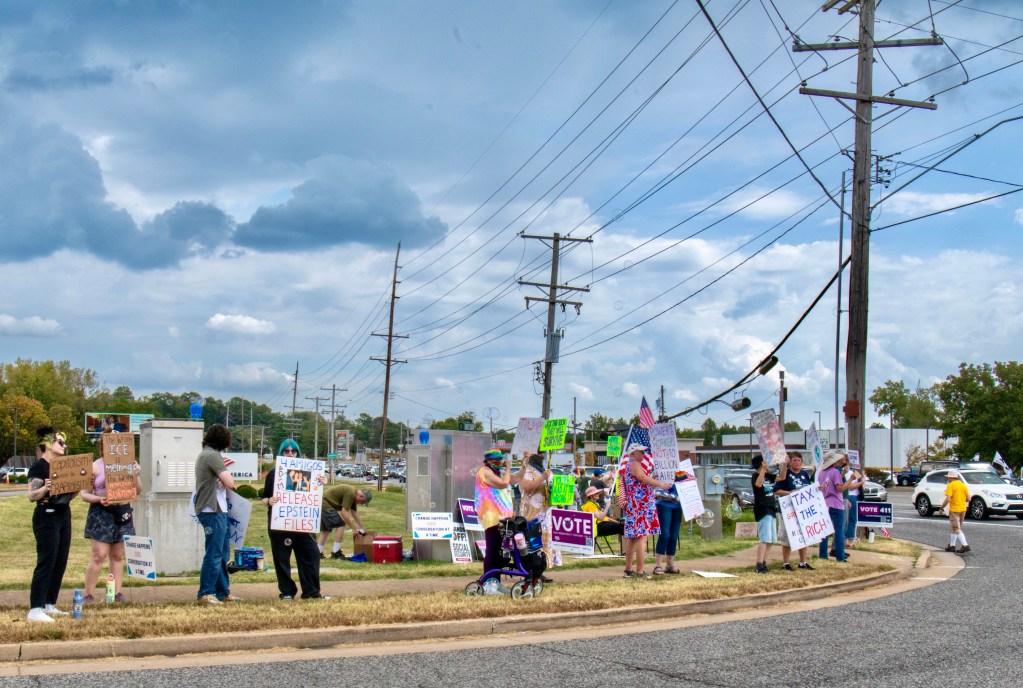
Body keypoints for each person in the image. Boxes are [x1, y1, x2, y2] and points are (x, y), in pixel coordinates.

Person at [263, 438, 328, 599]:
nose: (290, 454)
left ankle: (312, 592)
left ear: (298, 453)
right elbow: (264, 498)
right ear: (281, 453)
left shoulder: (310, 472)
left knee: (311, 554)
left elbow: (312, 493)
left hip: (302, 523)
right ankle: (287, 591)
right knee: (282, 559)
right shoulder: (274, 473)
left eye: (293, 451)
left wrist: (321, 482)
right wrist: (269, 501)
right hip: (280, 523)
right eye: (287, 451)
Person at [27, 427, 78, 622]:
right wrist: (44, 488)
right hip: (46, 515)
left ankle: (49, 603)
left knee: (60, 560)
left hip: (63, 514)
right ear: (48, 444)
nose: (64, 446)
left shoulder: (64, 467)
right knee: (47, 560)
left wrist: (78, 487)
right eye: (60, 442)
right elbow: (31, 496)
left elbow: (68, 496)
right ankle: (35, 608)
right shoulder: (39, 467)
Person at [81, 449, 142, 603]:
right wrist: (98, 499)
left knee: (117, 555)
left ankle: (115, 592)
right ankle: (88, 594)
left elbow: (138, 490)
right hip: (101, 513)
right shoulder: (95, 466)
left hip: (122, 511)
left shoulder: (128, 464)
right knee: (99, 555)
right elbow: (84, 494)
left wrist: (136, 474)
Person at [194, 423, 237, 604]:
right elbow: (231, 482)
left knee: (222, 553)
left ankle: (222, 591)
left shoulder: (205, 454)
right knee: (214, 553)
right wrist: (224, 476)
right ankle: (206, 592)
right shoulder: (212, 455)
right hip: (212, 510)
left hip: (217, 508)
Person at [620, 443, 672, 578]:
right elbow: (642, 478)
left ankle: (628, 569)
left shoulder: (628, 466)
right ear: (633, 453)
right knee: (642, 537)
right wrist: (660, 484)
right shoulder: (635, 464)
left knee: (632, 537)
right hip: (641, 504)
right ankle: (640, 570)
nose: (643, 455)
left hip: (634, 504)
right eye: (640, 452)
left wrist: (652, 480)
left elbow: (642, 480)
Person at [474, 449, 515, 594]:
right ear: (489, 461)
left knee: (498, 551)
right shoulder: (485, 472)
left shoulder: (497, 473)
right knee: (492, 550)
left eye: (500, 460)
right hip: (491, 517)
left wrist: (524, 464)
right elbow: (504, 484)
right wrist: (508, 468)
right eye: (496, 461)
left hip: (502, 518)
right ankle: (488, 583)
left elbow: (517, 479)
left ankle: (495, 582)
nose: (499, 463)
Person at [514, 450, 554, 581]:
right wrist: (542, 478)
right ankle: (530, 571)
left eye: (543, 453)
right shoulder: (526, 470)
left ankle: (539, 571)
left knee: (543, 542)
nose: (541, 455)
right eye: (538, 453)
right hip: (531, 512)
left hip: (545, 511)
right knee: (532, 542)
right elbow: (526, 487)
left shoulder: (545, 469)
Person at [773, 452, 813, 571]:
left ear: (802, 462)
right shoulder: (785, 474)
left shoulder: (804, 474)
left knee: (803, 535)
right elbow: (777, 490)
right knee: (787, 536)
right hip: (788, 510)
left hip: (801, 510)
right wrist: (789, 493)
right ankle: (786, 563)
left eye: (798, 460)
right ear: (790, 462)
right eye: (794, 460)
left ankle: (803, 562)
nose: (797, 463)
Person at [817, 450, 855, 562]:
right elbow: (840, 488)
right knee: (839, 531)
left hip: (825, 503)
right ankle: (840, 556)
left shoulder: (821, 473)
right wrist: (850, 479)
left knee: (825, 531)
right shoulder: (835, 472)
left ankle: (823, 554)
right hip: (836, 504)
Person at [318, 484, 372, 558]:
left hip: (322, 502)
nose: (361, 504)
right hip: (325, 503)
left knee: (326, 530)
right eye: (363, 502)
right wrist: (353, 528)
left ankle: (317, 553)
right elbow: (344, 513)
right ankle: (335, 553)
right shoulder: (350, 493)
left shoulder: (353, 494)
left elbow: (354, 513)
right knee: (341, 525)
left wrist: (363, 528)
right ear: (361, 496)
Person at [652, 468, 683, 575]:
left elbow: (687, 485)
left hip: (678, 505)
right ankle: (658, 565)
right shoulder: (660, 469)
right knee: (665, 534)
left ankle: (670, 564)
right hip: (664, 504)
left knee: (674, 535)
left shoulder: (681, 471)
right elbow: (655, 489)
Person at [750, 455, 778, 574]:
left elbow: (781, 477)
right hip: (763, 509)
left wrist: (784, 464)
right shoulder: (756, 475)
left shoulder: (768, 476)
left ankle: (765, 562)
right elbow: (758, 485)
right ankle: (759, 564)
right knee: (764, 537)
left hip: (771, 508)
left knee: (771, 539)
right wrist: (762, 470)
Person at [940, 471, 970, 554]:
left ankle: (965, 545)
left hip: (954, 509)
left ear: (952, 478)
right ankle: (952, 545)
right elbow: (968, 499)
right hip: (963, 508)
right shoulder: (963, 485)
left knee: (956, 528)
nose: (948, 479)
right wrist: (960, 499)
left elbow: (947, 499)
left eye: (949, 478)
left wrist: (942, 508)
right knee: (956, 528)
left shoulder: (951, 485)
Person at [844, 462, 866, 549]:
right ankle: (849, 540)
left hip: (856, 496)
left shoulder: (855, 473)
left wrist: (862, 479)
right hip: (851, 496)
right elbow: (850, 486)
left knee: (852, 519)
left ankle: (849, 539)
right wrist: (861, 482)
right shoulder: (849, 474)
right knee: (851, 520)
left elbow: (861, 485)